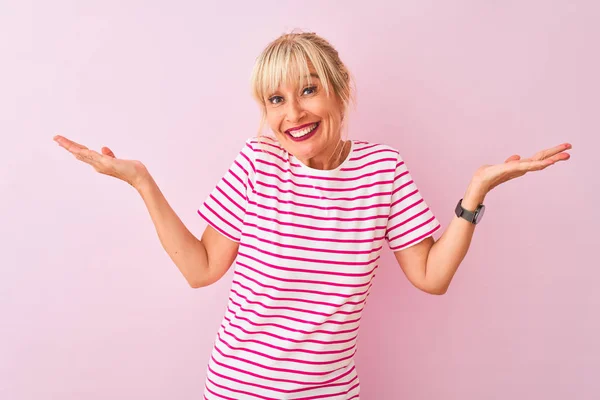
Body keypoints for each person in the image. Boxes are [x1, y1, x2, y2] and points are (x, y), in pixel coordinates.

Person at [54, 31, 571, 399]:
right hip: (239, 389)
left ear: (339, 89)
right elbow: (201, 269)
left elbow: (431, 277)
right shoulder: (257, 164)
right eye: (275, 99)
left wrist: (477, 191)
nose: (292, 114)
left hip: (331, 392)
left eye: (307, 90)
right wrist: (142, 181)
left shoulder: (383, 170)